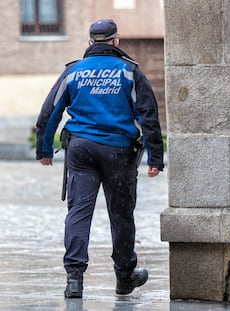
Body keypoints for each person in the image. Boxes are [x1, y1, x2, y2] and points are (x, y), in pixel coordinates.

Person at [35, 19, 164, 298]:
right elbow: (148, 116)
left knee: (79, 212)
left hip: (81, 151)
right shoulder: (130, 72)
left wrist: (44, 150)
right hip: (119, 152)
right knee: (121, 215)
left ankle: (74, 280)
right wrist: (156, 157)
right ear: (116, 41)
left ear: (91, 42)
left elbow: (50, 112)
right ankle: (125, 276)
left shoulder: (73, 72)